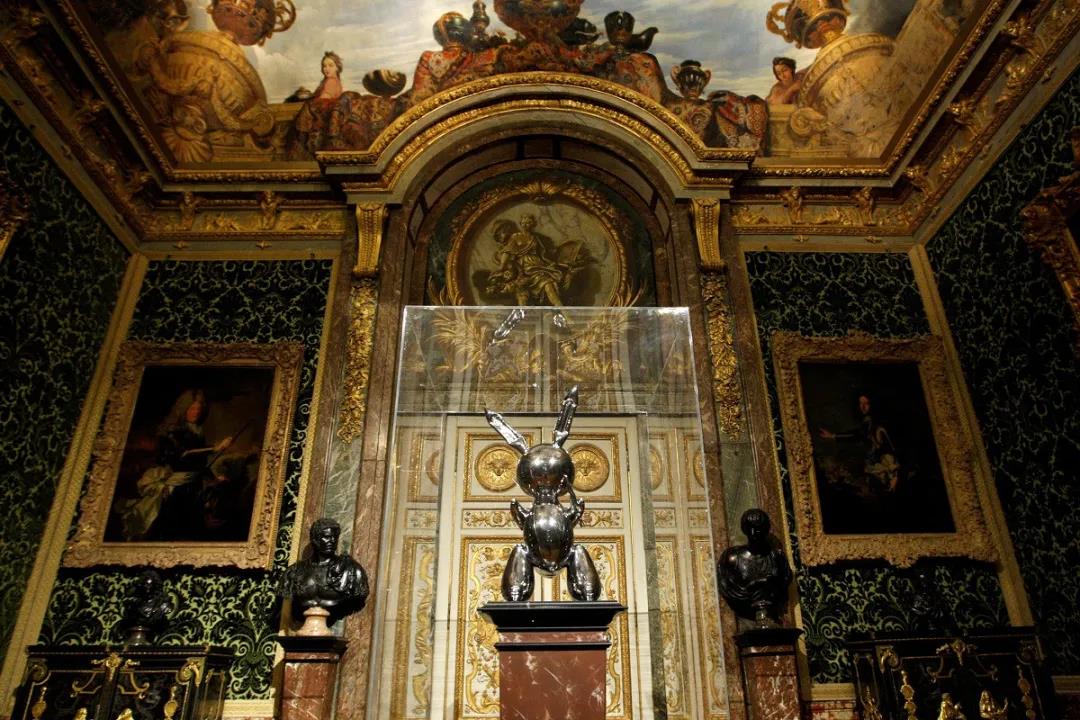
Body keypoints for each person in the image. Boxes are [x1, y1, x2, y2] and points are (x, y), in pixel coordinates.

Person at [115, 389, 233, 540]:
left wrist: (214, 479)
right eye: (192, 408)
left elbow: (199, 464)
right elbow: (182, 455)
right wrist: (215, 448)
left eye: (199, 409)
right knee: (172, 524)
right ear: (184, 409)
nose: (196, 412)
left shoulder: (198, 432)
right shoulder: (174, 431)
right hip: (178, 487)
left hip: (192, 485)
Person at [277, 518, 369, 620]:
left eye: (334, 537)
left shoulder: (351, 570)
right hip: (304, 625)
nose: (332, 541)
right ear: (315, 539)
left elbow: (359, 595)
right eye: (327, 537)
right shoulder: (294, 571)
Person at [716, 509, 793, 627]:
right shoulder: (732, 558)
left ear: (765, 530)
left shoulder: (777, 557)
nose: (753, 533)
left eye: (757, 529)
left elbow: (784, 581)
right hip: (745, 620)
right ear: (744, 530)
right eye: (749, 528)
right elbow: (728, 587)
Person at [818, 393, 901, 492]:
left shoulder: (879, 427)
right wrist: (833, 436)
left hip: (885, 469)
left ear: (872, 405)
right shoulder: (866, 424)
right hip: (873, 468)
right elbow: (857, 435)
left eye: (866, 403)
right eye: (860, 403)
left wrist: (895, 476)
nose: (863, 406)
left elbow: (890, 451)